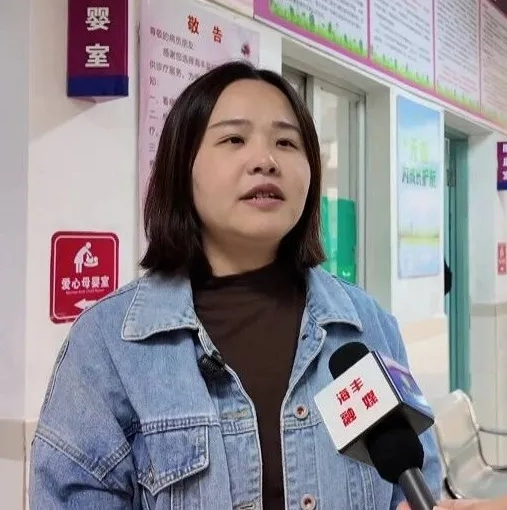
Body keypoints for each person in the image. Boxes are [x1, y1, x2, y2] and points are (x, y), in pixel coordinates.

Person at [29, 61, 442, 509]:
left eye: (286, 142)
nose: (266, 160)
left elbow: (419, 486)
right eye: (234, 139)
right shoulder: (110, 343)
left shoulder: (368, 326)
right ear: (183, 166)